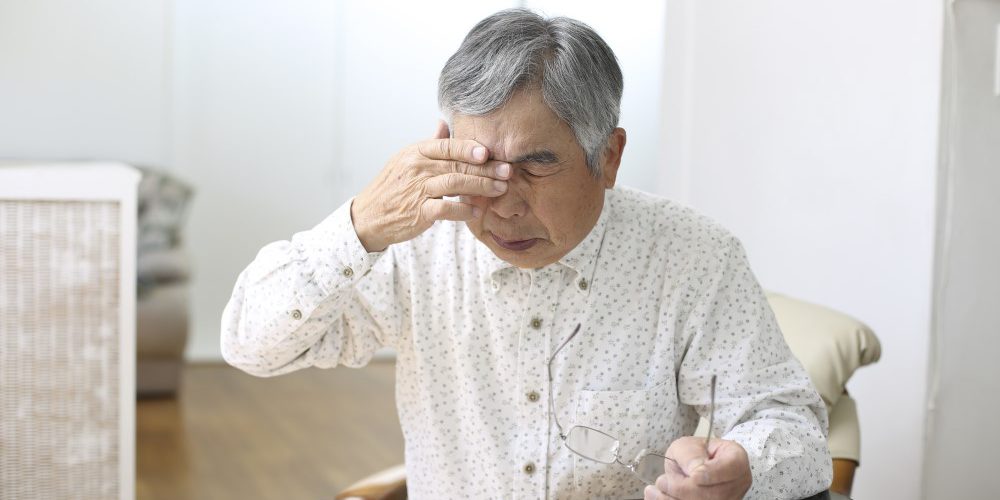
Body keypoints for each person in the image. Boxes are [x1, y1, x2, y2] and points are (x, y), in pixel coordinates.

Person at [221, 8, 832, 500]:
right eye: (479, 167)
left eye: (538, 164)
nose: (504, 205)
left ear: (609, 158)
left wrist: (743, 469)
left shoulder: (691, 256)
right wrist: (360, 226)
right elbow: (251, 346)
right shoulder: (418, 244)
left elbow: (795, 430)